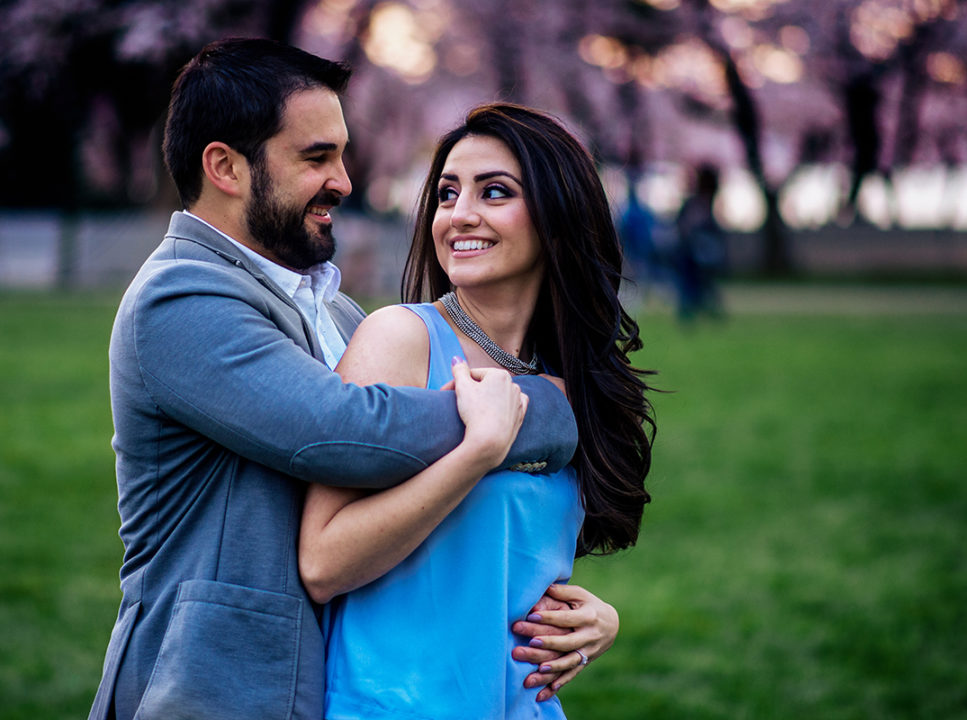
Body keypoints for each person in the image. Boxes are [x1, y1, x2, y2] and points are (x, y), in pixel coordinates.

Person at [88, 39, 614, 720]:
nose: (344, 180)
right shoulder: (181, 298)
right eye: (316, 157)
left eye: (340, 154)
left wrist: (584, 614)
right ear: (224, 166)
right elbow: (345, 432)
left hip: (328, 679)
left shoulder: (334, 308)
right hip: (208, 688)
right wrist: (552, 408)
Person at [299, 103, 655, 719]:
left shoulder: (575, 376)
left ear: (558, 214)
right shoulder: (402, 340)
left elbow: (510, 562)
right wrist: (476, 454)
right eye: (446, 193)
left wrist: (599, 619)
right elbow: (323, 562)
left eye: (495, 192)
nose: (460, 215)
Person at [673, 163, 727, 320]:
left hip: (699, 252)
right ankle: (693, 311)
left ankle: (699, 310)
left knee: (700, 284)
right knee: (695, 284)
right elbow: (686, 227)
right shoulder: (697, 204)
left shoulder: (705, 204)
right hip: (691, 252)